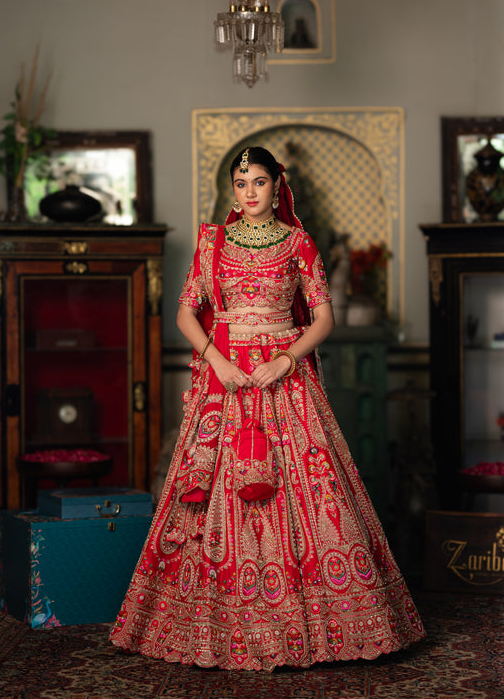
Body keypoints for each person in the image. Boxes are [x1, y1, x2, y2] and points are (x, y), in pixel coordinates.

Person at [109, 146, 425, 671]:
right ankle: (215, 624)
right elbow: (187, 315)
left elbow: (322, 320)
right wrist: (218, 361)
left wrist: (284, 359)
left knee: (310, 491)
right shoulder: (212, 245)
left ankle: (331, 624)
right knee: (216, 496)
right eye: (240, 182)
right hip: (227, 382)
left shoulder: (299, 242)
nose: (249, 192)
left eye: (258, 181)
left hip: (284, 381)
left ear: (277, 187)